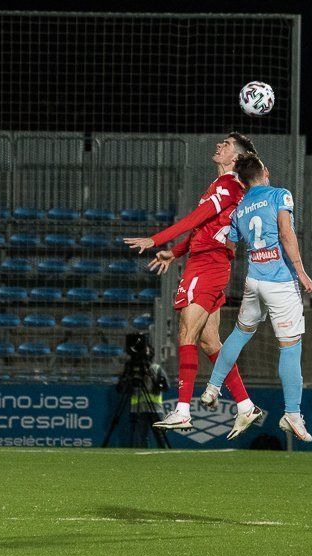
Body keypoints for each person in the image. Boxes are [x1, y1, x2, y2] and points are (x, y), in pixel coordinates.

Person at [123, 132, 261, 435]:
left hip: (207, 266)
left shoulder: (227, 186)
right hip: (210, 262)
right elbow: (204, 227)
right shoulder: (225, 186)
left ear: (234, 159)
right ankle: (245, 405)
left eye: (225, 146)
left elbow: (196, 218)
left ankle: (183, 410)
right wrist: (175, 251)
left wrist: (156, 239)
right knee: (210, 342)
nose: (219, 147)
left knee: (186, 332)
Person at [199, 152, 312, 441]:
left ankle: (213, 387)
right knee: (290, 346)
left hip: (254, 281)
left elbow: (230, 242)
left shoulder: (240, 208)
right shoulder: (279, 194)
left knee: (239, 334)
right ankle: (292, 413)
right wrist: (301, 271)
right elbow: (287, 234)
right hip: (280, 283)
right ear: (264, 172)